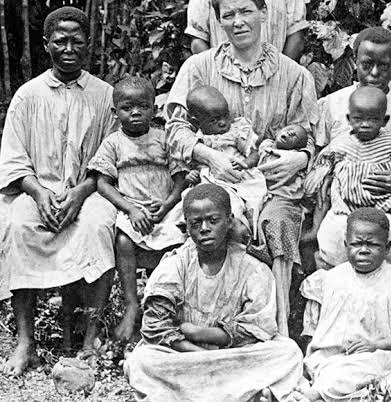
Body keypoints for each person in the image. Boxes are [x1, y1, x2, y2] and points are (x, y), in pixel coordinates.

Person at [166, 0, 318, 335]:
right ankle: (210, 323)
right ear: (218, 21)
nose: (238, 22)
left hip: (276, 182)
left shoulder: (294, 74)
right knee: (217, 220)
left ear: (264, 13)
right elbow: (175, 130)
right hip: (217, 178)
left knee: (278, 221)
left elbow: (310, 136)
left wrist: (300, 158)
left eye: (246, 12)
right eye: (228, 15)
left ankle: (277, 327)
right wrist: (210, 156)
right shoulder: (199, 68)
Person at [0, 7, 117, 375]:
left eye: (76, 41)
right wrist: (38, 193)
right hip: (37, 191)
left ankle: (89, 340)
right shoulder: (28, 95)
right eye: (60, 41)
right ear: (46, 44)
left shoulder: (105, 95)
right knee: (18, 225)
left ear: (88, 45)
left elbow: (113, 156)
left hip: (90, 190)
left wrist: (81, 192)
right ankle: (25, 341)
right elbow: (13, 158)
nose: (68, 49)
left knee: (99, 225)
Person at [124, 184, 304, 402]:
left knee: (288, 352)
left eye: (213, 220)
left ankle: (188, 393)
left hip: (234, 353)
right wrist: (203, 356)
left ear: (229, 221)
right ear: (186, 227)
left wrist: (197, 332)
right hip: (183, 355)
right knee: (142, 360)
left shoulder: (253, 269)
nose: (204, 228)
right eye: (196, 223)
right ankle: (242, 391)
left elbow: (257, 328)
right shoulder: (174, 265)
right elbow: (156, 327)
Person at [289, 208, 391, 402]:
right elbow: (312, 327)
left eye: (373, 244)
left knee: (355, 370)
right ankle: (297, 390)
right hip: (329, 354)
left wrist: (375, 345)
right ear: (346, 245)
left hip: (377, 354)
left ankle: (313, 395)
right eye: (356, 244)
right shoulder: (330, 279)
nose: (364, 250)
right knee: (298, 360)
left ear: (387, 247)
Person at [87, 76, 187, 342]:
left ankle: (163, 305)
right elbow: (103, 183)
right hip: (132, 208)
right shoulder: (113, 143)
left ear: (155, 109)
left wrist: (167, 204)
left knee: (176, 242)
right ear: (115, 112)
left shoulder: (164, 139)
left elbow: (180, 178)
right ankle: (132, 304)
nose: (135, 113)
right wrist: (131, 209)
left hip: (164, 209)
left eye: (143, 106)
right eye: (127, 108)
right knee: (123, 240)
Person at [305, 87, 391, 274]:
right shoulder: (341, 142)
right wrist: (318, 175)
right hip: (348, 201)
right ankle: (315, 232)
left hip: (382, 199)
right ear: (349, 119)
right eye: (358, 119)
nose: (365, 124)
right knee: (325, 200)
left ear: (384, 120)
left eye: (373, 119)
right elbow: (325, 160)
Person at [185, 85, 267, 239]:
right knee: (226, 208)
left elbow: (253, 153)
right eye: (214, 120)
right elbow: (195, 164)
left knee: (254, 203)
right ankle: (234, 232)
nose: (223, 123)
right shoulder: (197, 140)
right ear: (197, 123)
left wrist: (246, 163)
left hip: (241, 177)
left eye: (225, 116)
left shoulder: (236, 132)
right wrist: (192, 174)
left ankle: (252, 233)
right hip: (214, 182)